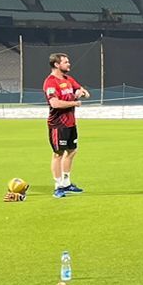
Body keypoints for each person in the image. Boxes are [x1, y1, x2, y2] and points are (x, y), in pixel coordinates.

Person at [43, 52, 89, 198]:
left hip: (70, 123)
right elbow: (54, 103)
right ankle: (58, 186)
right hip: (58, 124)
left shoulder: (68, 79)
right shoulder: (50, 82)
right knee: (58, 154)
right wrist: (75, 102)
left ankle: (67, 183)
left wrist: (81, 93)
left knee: (72, 151)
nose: (69, 64)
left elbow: (83, 92)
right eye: (65, 62)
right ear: (57, 64)